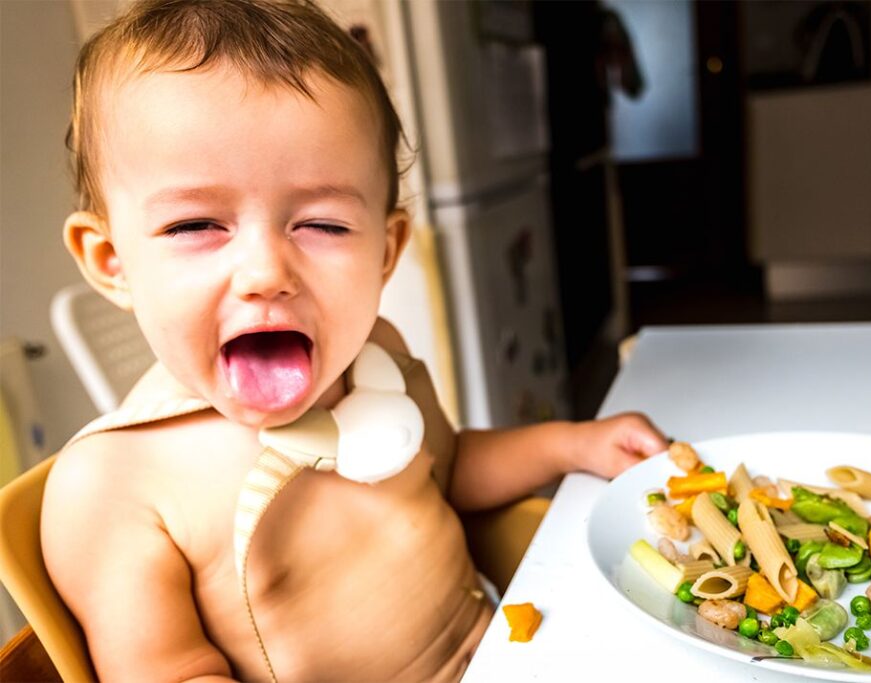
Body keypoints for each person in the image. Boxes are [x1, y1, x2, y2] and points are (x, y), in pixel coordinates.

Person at [40, 1, 668, 680]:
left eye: (323, 225)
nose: (265, 272)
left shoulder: (380, 360)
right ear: (110, 260)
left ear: (386, 250)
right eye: (197, 224)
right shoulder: (112, 487)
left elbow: (449, 470)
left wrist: (573, 443)